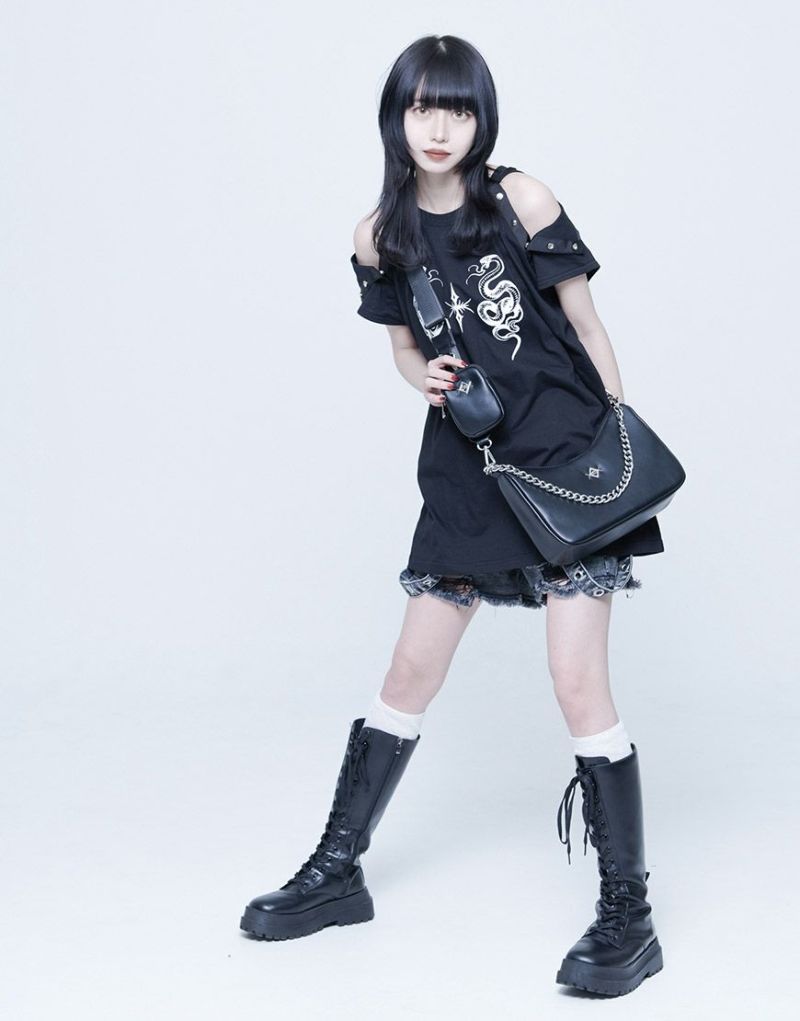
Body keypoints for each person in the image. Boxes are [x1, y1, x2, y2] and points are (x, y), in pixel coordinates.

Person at [240, 34, 664, 997]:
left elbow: (586, 323)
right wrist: (420, 375)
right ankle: (338, 870)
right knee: (408, 672)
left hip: (563, 459)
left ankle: (629, 913)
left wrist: (617, 447)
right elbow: (401, 347)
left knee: (577, 683)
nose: (439, 127)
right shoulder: (379, 236)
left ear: (484, 119)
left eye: (459, 108)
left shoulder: (522, 199)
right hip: (469, 469)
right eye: (422, 106)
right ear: (396, 115)